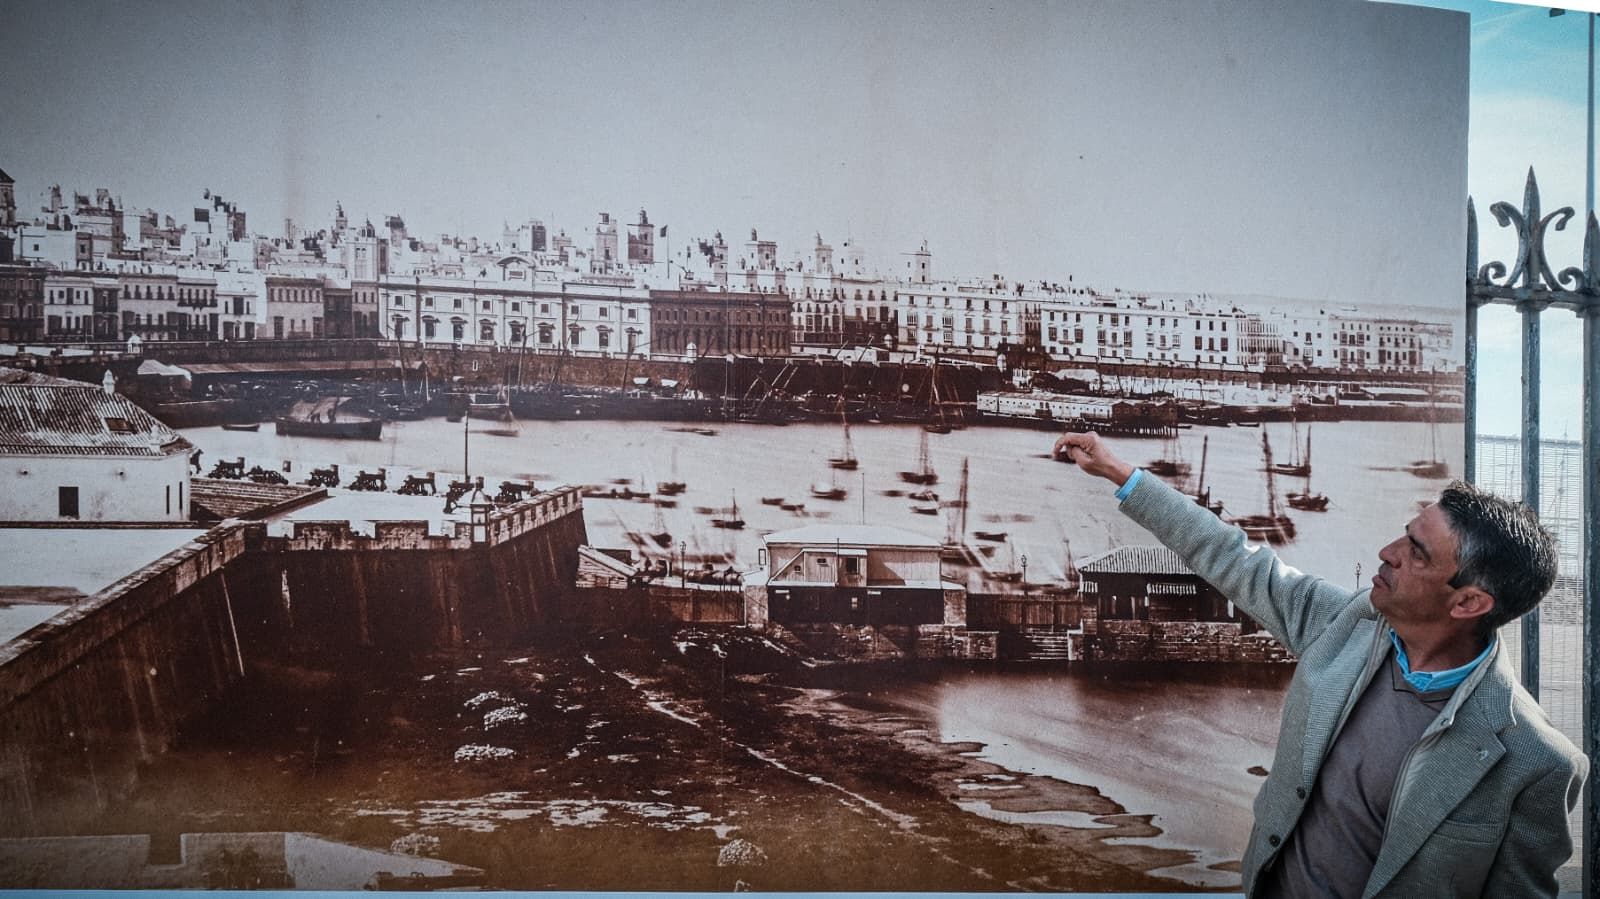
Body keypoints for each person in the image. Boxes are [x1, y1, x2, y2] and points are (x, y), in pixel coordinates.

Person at [1054, 430, 1586, 898]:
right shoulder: (1346, 626)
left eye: (1417, 552)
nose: (1388, 551)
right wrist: (1119, 472)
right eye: (1405, 534)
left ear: (1469, 602)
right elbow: (1232, 556)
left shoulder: (1536, 763)